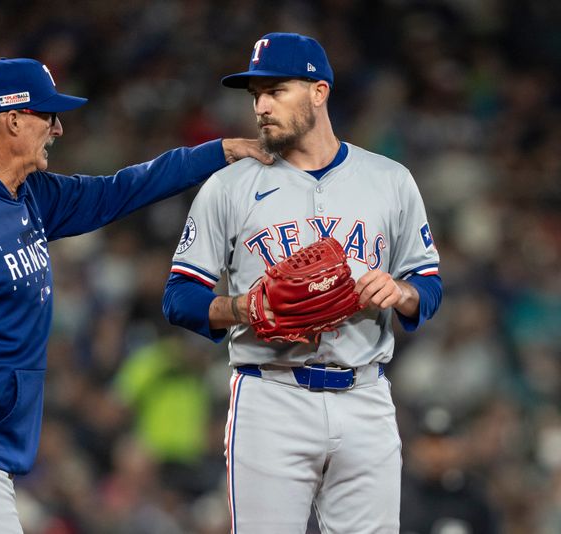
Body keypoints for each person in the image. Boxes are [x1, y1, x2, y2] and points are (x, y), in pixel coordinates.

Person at [0, 57, 272, 532]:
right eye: (47, 115)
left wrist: (214, 153)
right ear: (13, 120)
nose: (57, 128)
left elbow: (120, 190)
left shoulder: (27, 194)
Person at [162, 33, 442, 533]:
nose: (261, 106)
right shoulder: (229, 186)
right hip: (271, 396)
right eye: (255, 96)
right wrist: (243, 308)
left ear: (319, 91)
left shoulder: (390, 180)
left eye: (276, 91)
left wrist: (402, 293)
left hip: (365, 395)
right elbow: (179, 298)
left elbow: (428, 283)